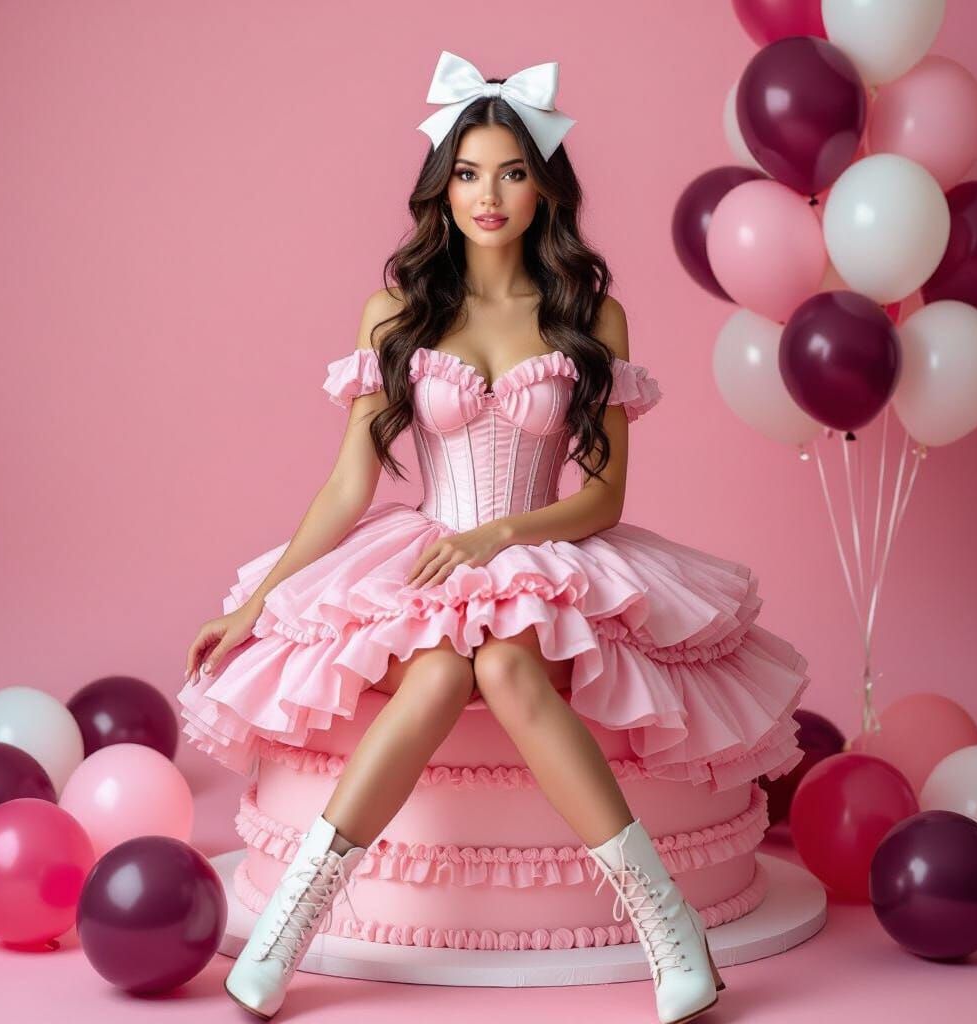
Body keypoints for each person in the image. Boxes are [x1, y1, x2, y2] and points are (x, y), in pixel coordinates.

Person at [181, 51, 807, 1023]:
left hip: (543, 551)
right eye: (468, 172)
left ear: (543, 186)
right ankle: (289, 928)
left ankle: (668, 930)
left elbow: (601, 499)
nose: (489, 194)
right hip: (425, 556)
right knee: (436, 671)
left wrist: (504, 537)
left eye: (512, 172)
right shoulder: (397, 310)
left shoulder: (591, 315)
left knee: (510, 666)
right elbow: (350, 482)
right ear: (442, 186)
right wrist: (255, 604)